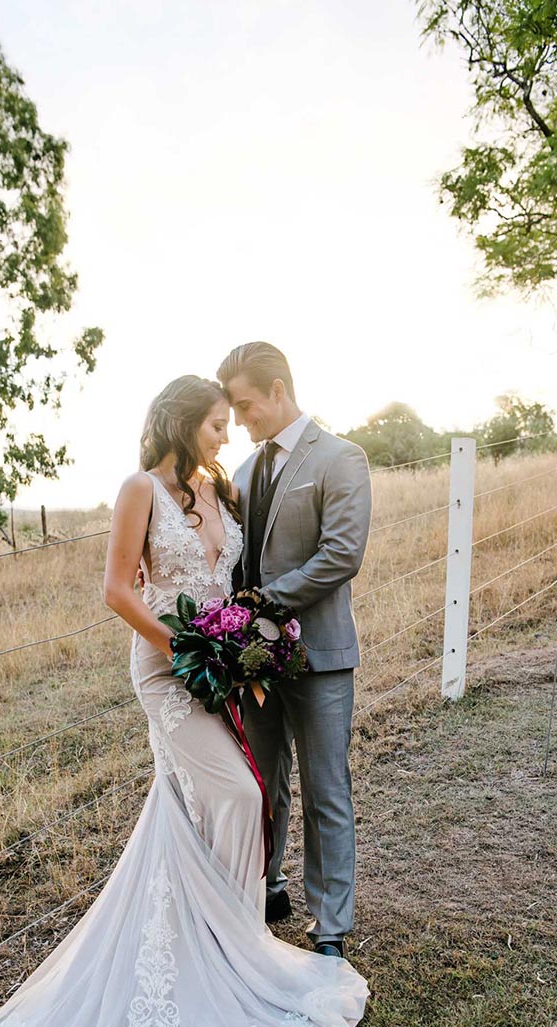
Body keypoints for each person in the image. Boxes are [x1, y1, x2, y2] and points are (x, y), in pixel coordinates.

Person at [0, 375, 368, 1027]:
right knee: (240, 796)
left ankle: (221, 947)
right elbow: (118, 591)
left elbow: (238, 580)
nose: (228, 435)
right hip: (166, 669)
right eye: (217, 424)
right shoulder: (139, 490)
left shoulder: (219, 488)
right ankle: (229, 947)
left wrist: (234, 646)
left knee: (197, 804)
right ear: (184, 422)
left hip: (216, 665)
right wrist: (188, 646)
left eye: (232, 422)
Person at [218, 343, 372, 959]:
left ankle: (330, 925)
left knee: (325, 789)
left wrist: (262, 604)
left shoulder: (341, 458)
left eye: (245, 405)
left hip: (321, 656)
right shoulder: (246, 472)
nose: (240, 420)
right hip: (255, 664)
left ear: (278, 389)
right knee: (262, 782)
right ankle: (266, 887)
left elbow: (341, 554)